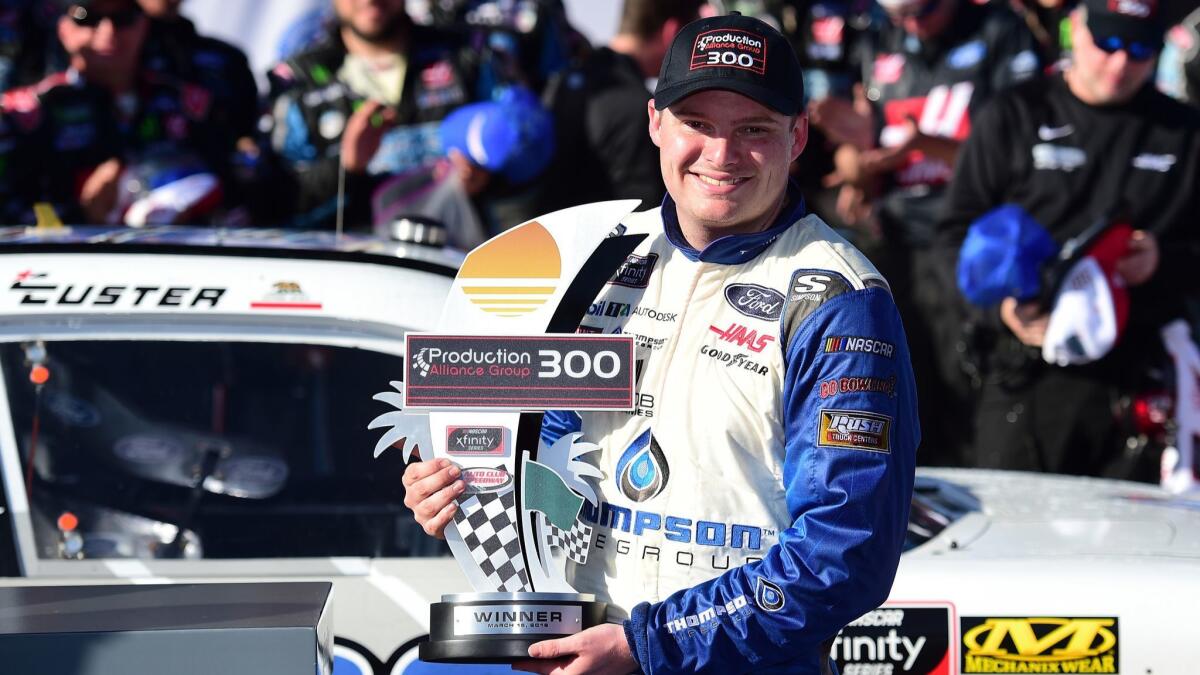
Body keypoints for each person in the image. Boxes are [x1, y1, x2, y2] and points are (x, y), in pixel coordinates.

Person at [403, 13, 918, 674]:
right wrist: (457, 488)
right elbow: (537, 453)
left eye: (754, 129)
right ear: (655, 123)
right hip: (581, 652)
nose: (722, 155)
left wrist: (650, 644)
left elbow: (845, 552)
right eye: (697, 124)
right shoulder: (592, 263)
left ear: (798, 137)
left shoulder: (837, 299)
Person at [940, 0, 1200, 478]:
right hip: (1027, 365)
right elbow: (952, 236)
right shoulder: (1015, 113)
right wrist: (999, 312)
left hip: (1136, 375)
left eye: (1141, 49)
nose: (1121, 63)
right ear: (1077, 31)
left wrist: (1163, 259)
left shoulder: (1184, 133)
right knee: (1015, 535)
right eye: (1110, 42)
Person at [809, 0, 1042, 466]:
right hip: (896, 240)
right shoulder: (881, 39)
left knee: (966, 391)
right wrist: (857, 168)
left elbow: (1027, 153)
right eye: (900, 17)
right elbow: (860, 149)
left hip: (975, 242)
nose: (913, 25)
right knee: (900, 390)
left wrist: (922, 147)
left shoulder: (999, 31)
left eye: (923, 12)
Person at [265, 0, 536, 232]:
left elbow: (534, 158)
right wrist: (346, 168)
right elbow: (278, 208)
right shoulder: (298, 81)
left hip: (461, 264)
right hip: (354, 272)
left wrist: (486, 174)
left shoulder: (468, 54)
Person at [0, 0, 242, 224]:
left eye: (123, 18)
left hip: (184, 256)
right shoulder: (23, 114)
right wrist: (81, 212)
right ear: (63, 29)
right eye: (89, 18)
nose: (108, 31)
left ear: (143, 25)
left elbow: (239, 189)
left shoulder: (189, 102)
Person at [533, 0, 706, 214]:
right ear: (671, 33)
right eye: (694, 44)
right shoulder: (636, 106)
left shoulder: (563, 80)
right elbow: (643, 215)